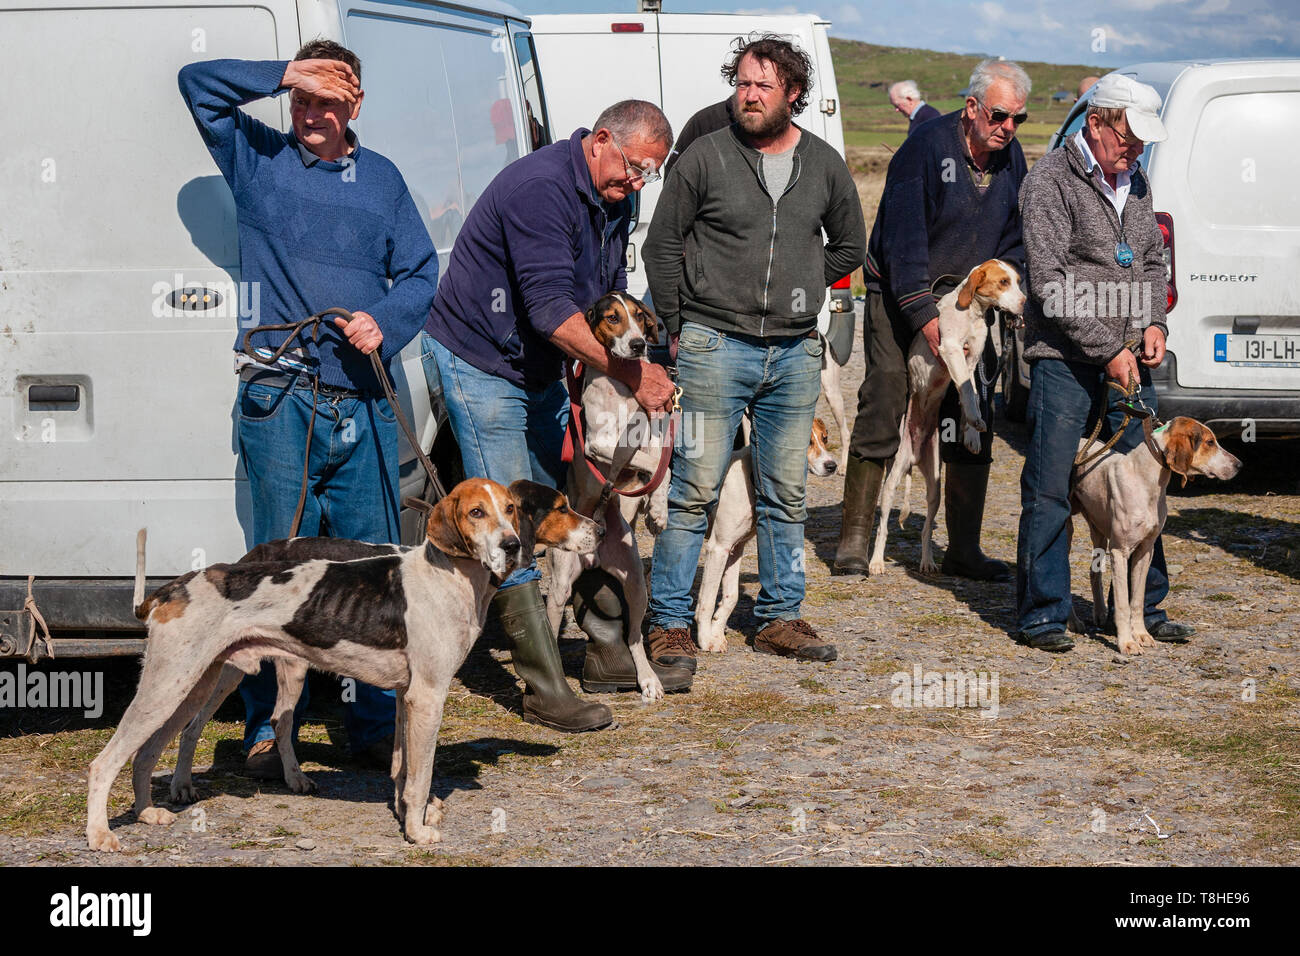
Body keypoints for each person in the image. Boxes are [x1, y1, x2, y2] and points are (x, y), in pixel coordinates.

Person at [178, 41, 439, 775]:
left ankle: (375, 721)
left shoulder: (381, 179)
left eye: (329, 100)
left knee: (371, 563)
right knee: (274, 566)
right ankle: (266, 726)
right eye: (304, 99)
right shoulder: (256, 157)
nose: (313, 114)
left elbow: (422, 271)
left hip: (361, 398)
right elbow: (195, 83)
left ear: (357, 103)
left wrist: (385, 318)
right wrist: (286, 73)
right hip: (279, 394)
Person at [422, 100, 684, 732]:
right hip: (483, 360)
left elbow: (602, 296)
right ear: (600, 141)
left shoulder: (616, 197)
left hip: (544, 368)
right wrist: (631, 375)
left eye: (650, 173)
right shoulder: (540, 188)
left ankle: (603, 649)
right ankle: (544, 685)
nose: (637, 184)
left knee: (569, 510)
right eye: (632, 167)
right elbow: (548, 310)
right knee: (513, 520)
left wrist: (646, 358)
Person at [644, 34, 866, 666]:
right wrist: (679, 324)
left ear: (792, 94)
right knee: (693, 488)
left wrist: (802, 279)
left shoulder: (823, 164)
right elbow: (661, 245)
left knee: (785, 494)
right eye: (741, 83)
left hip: (795, 354)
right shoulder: (704, 158)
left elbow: (850, 246)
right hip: (713, 346)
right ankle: (668, 624)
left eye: (763, 86)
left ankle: (779, 615)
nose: (748, 96)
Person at [1014, 73, 1193, 651]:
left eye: (1143, 140)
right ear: (1096, 122)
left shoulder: (1136, 181)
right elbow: (1049, 284)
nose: (1136, 149)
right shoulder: (1048, 182)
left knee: (1148, 481)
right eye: (1129, 136)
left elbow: (1148, 260)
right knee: (1050, 486)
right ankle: (1044, 612)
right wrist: (1109, 348)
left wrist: (1153, 325)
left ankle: (1145, 608)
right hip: (1064, 360)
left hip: (1128, 361)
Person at [836, 58, 1030, 581]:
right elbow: (904, 241)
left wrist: (997, 301)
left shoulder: (1011, 162)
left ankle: (963, 548)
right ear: (971, 108)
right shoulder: (925, 149)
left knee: (970, 407)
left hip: (969, 297)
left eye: (1018, 119)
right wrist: (925, 315)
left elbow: (1013, 242)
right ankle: (855, 540)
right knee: (887, 395)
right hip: (900, 288)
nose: (1008, 127)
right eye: (998, 115)